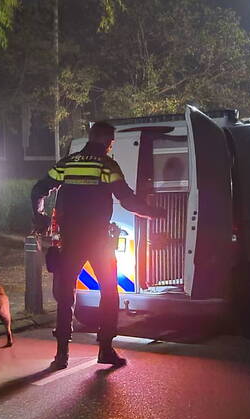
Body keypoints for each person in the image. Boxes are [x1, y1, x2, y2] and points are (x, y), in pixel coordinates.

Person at [31, 121, 166, 369]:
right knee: (109, 291)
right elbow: (127, 200)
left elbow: (39, 189)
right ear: (108, 142)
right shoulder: (106, 165)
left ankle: (61, 355)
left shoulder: (68, 163)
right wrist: (154, 213)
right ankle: (105, 348)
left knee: (65, 295)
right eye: (111, 142)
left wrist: (39, 213)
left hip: (70, 240)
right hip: (98, 240)